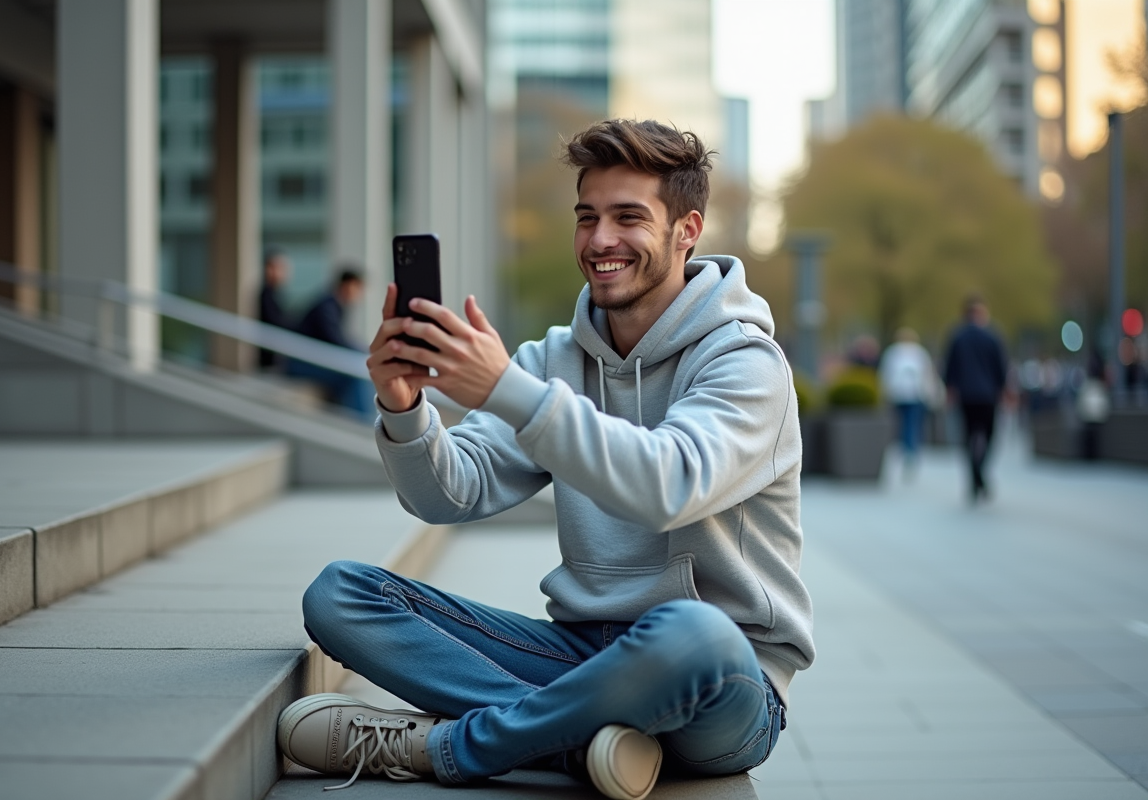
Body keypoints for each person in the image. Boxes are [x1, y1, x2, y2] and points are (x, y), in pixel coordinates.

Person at [278, 120, 815, 799]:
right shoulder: (554, 359)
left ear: (688, 230)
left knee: (695, 633)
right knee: (341, 595)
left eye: (628, 218)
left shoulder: (744, 362)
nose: (600, 240)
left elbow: (670, 485)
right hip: (577, 655)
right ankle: (583, 740)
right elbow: (449, 493)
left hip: (721, 681)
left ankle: (449, 747)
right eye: (587, 218)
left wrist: (507, 388)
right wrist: (403, 406)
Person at [943, 295, 1008, 502]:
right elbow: (1001, 367)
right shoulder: (993, 336)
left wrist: (949, 390)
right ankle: (979, 473)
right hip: (988, 395)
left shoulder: (957, 336)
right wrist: (1004, 389)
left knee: (967, 437)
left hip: (965, 395)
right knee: (989, 436)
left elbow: (949, 367)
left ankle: (975, 475)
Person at [287, 269, 370, 414]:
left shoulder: (334, 306)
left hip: (312, 360)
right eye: (358, 288)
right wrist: (361, 350)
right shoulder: (327, 307)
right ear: (348, 285)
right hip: (300, 363)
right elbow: (336, 339)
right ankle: (361, 420)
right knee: (353, 376)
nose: (359, 294)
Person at [879, 327, 941, 475]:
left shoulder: (893, 353)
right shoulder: (918, 353)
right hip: (913, 394)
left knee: (905, 424)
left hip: (902, 394)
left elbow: (886, 374)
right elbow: (927, 374)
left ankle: (908, 449)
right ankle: (911, 450)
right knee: (912, 424)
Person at [258, 248, 291, 369]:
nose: (284, 273)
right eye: (280, 268)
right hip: (267, 358)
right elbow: (275, 322)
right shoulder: (266, 295)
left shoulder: (276, 293)